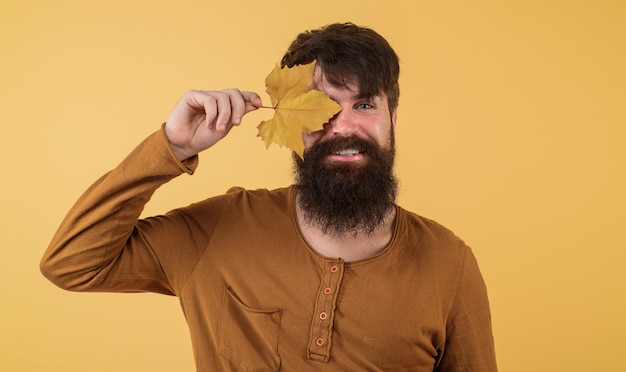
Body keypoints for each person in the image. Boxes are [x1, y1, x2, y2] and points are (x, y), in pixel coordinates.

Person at [41, 22, 497, 371]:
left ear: (392, 119)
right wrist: (172, 148)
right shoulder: (220, 229)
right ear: (290, 119)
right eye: (321, 107)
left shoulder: (450, 264)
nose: (342, 127)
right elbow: (71, 263)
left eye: (364, 105)